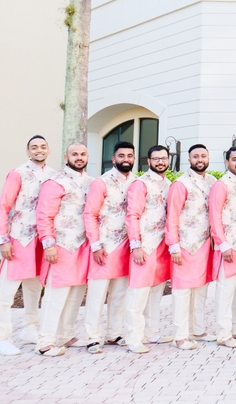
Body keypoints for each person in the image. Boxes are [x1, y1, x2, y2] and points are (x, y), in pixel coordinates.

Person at [0, 135, 55, 356]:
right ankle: (0, 337)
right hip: (18, 238)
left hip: (41, 241)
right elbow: (3, 207)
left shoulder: (53, 176)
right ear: (28, 152)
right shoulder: (17, 174)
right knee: (6, 291)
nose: (39, 150)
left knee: (34, 288)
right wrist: (4, 239)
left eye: (43, 146)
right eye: (34, 147)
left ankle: (30, 327)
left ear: (48, 150)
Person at [34, 143, 93, 356]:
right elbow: (44, 215)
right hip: (61, 244)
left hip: (84, 245)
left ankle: (66, 334)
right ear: (65, 156)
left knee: (77, 291)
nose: (79, 157)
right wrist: (48, 243)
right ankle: (45, 341)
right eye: (74, 154)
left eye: (83, 154)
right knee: (56, 292)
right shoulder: (55, 182)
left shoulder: (91, 182)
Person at [83, 141, 137, 354]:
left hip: (127, 247)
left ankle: (114, 333)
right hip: (104, 247)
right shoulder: (101, 182)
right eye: (121, 155)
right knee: (97, 295)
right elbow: (90, 214)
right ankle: (93, 338)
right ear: (113, 159)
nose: (126, 159)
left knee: (120, 294)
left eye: (130, 155)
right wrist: (95, 244)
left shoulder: (137, 182)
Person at [165, 144, 218, 350]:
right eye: (196, 156)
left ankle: (198, 329)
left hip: (205, 244)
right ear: (189, 159)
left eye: (203, 156)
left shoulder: (212, 181)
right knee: (182, 290)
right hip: (185, 244)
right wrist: (174, 246)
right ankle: (180, 335)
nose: (200, 159)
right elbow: (172, 216)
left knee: (201, 289)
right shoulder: (180, 184)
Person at [123, 145, 173, 354]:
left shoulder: (169, 184)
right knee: (138, 293)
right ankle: (133, 338)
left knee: (155, 292)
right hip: (144, 245)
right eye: (156, 158)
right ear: (149, 161)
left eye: (163, 158)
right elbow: (132, 215)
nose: (160, 162)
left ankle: (152, 333)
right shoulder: (140, 184)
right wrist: (136, 245)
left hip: (162, 246)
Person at [208, 145, 236, 349]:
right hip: (229, 246)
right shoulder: (221, 185)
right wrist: (222, 244)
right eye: (234, 159)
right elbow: (214, 216)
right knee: (225, 291)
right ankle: (223, 334)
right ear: (227, 162)